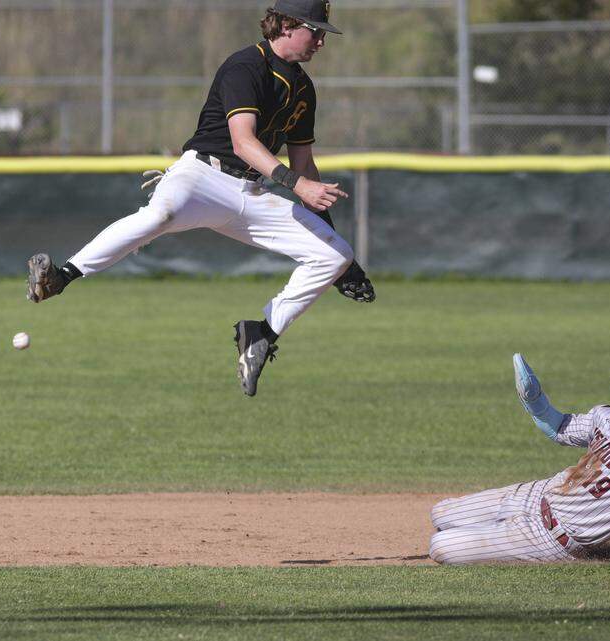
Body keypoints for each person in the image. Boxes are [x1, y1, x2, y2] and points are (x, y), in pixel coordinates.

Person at [25, 0, 375, 397]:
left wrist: (341, 262)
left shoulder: (304, 89)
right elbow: (244, 143)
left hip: (253, 192)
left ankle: (261, 332)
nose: (320, 41)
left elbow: (304, 167)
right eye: (315, 30)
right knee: (161, 213)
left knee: (334, 255)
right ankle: (62, 277)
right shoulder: (246, 66)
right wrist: (297, 185)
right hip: (203, 177)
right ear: (289, 25)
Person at [428, 354, 610, 564]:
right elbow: (558, 427)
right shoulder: (609, 417)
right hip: (536, 495)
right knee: (441, 514)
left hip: (549, 539)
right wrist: (535, 401)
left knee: (440, 547)